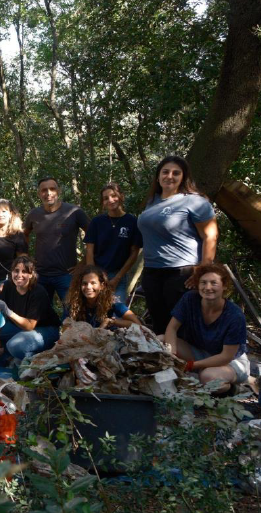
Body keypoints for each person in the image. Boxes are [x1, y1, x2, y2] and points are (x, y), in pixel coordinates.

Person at [137, 156, 218, 334]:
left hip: (181, 272)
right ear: (158, 177)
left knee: (181, 325)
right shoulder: (152, 201)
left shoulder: (194, 201)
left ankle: (186, 361)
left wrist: (203, 269)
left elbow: (210, 235)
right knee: (158, 323)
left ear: (184, 177)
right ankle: (163, 360)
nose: (170, 176)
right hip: (152, 271)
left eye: (176, 173)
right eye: (165, 172)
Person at [161, 263, 249, 392]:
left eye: (214, 283)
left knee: (208, 377)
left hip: (230, 361)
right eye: (203, 282)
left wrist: (190, 365)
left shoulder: (235, 315)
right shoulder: (190, 299)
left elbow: (226, 356)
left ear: (224, 286)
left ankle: (234, 389)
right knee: (160, 340)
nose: (208, 287)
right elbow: (172, 328)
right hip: (199, 352)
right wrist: (171, 354)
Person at [0, 256, 61, 365]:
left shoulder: (38, 292)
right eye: (16, 271)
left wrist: (8, 311)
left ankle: (33, 359)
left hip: (45, 329)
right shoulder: (7, 286)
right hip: (18, 327)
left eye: (24, 271)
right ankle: (8, 353)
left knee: (15, 345)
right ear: (11, 272)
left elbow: (29, 326)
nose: (19, 275)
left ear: (31, 275)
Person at [24, 177, 89, 303]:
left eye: (52, 189)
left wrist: (83, 263)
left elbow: (94, 236)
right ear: (39, 194)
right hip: (40, 274)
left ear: (58, 191)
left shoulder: (74, 212)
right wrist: (26, 258)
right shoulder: (33, 214)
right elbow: (23, 234)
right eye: (44, 190)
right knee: (41, 313)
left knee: (71, 313)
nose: (48, 193)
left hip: (67, 275)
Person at [84, 183, 142, 303]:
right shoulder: (97, 222)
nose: (110, 200)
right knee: (94, 311)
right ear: (103, 202)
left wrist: (117, 278)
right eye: (105, 198)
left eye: (113, 196)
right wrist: (93, 275)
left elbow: (134, 254)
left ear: (121, 196)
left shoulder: (132, 222)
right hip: (97, 273)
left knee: (117, 313)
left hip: (118, 276)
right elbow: (89, 250)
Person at [64, 265, 141, 329]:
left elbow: (138, 325)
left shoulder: (112, 302)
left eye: (93, 283)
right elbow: (65, 331)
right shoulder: (73, 303)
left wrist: (111, 321)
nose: (88, 287)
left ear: (102, 286)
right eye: (84, 283)